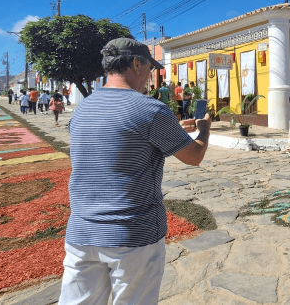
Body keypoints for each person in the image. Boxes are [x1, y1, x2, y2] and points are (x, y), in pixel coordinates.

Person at [59, 37, 211, 304]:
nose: (151, 76)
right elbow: (194, 156)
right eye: (150, 68)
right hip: (133, 235)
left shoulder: (83, 109)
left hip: (81, 233)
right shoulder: (150, 109)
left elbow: (120, 139)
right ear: (137, 63)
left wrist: (174, 130)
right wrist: (205, 129)